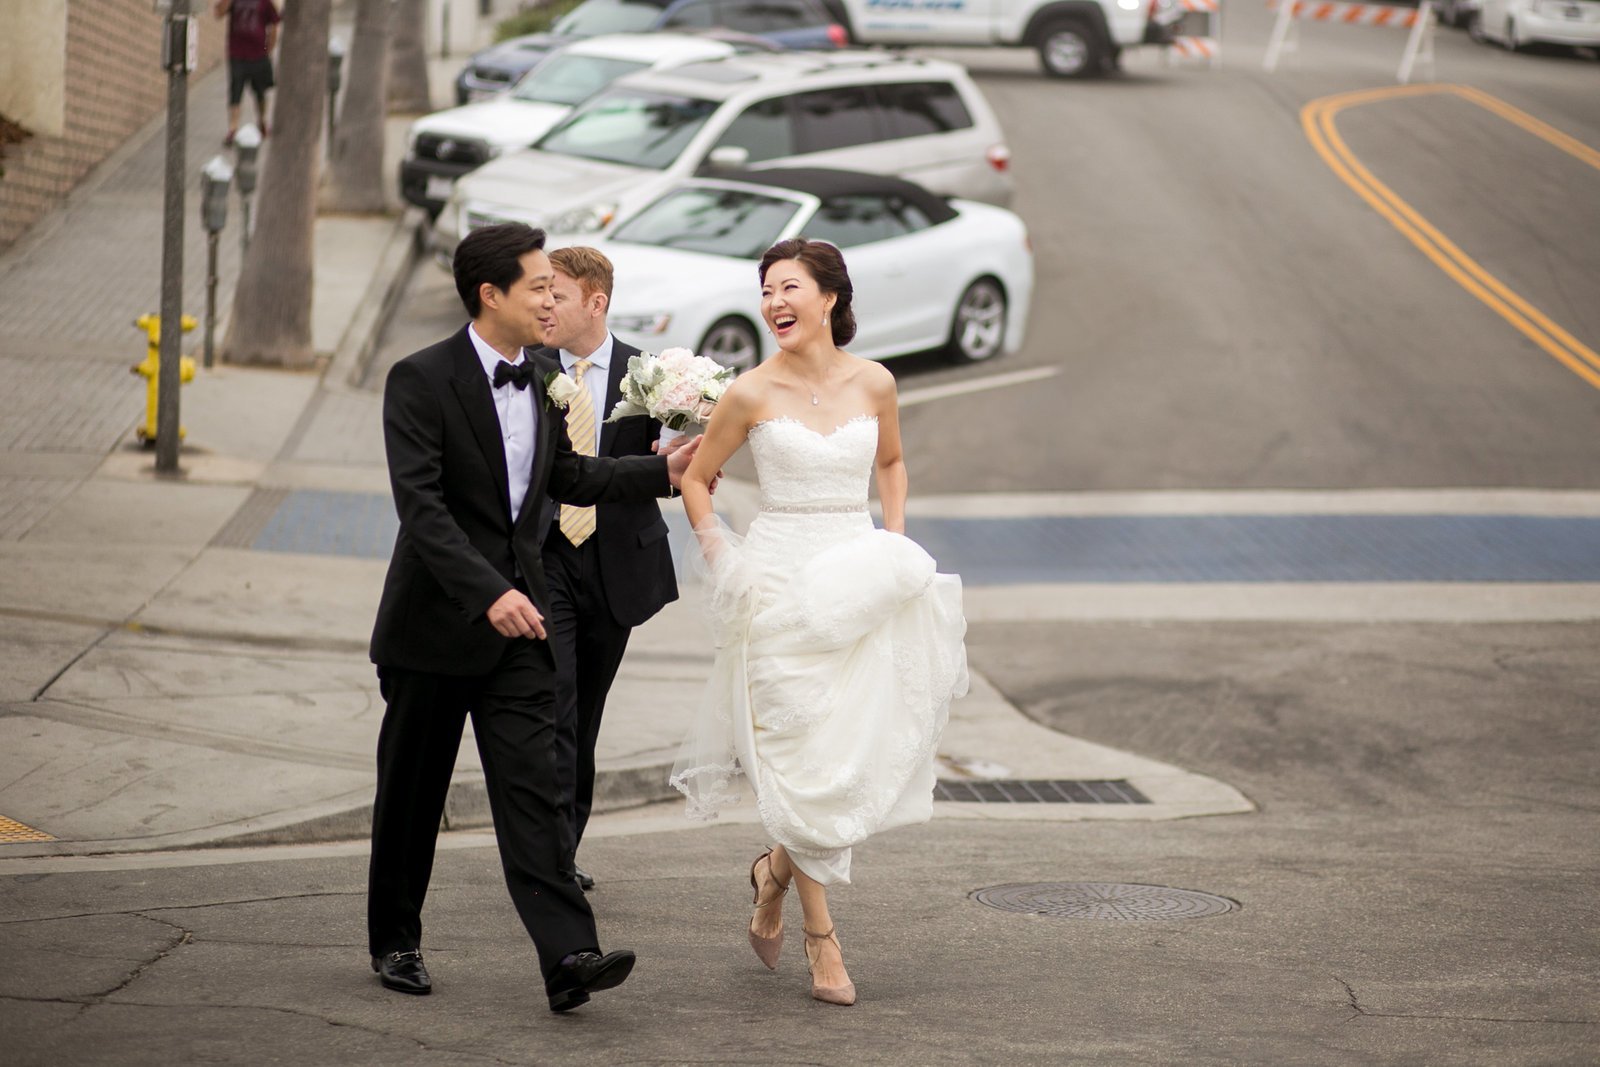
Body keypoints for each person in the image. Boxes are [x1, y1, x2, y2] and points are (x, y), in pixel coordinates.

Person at [366, 223, 699, 1012]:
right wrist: (489, 590)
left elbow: (570, 474)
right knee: (413, 793)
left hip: (522, 627)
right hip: (435, 627)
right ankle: (395, 939)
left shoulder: (546, 378)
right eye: (539, 286)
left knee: (536, 787)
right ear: (492, 295)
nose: (552, 299)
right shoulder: (419, 380)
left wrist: (660, 471)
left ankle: (568, 954)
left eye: (555, 287)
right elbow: (424, 511)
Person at [672, 237, 968, 1006]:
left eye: (789, 287)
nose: (774, 302)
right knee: (800, 757)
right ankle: (821, 935)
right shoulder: (748, 392)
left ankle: (771, 874)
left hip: (857, 577)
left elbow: (892, 464)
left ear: (830, 297)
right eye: (766, 289)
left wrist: (895, 546)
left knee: (845, 757)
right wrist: (724, 558)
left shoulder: (875, 382)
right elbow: (698, 480)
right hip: (775, 584)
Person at [529, 246, 679, 892]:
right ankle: (550, 861)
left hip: (617, 566)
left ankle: (565, 846)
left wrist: (684, 454)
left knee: (585, 717)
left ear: (596, 302)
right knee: (557, 706)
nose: (544, 306)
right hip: (547, 559)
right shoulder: (528, 370)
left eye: (556, 295)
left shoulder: (647, 375)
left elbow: (673, 460)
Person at [213, 0, 279, 146]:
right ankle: (233, 128)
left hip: (258, 55)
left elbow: (274, 22)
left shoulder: (264, 2)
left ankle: (261, 121)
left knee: (260, 92)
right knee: (235, 92)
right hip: (237, 54)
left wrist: (270, 46)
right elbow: (218, 13)